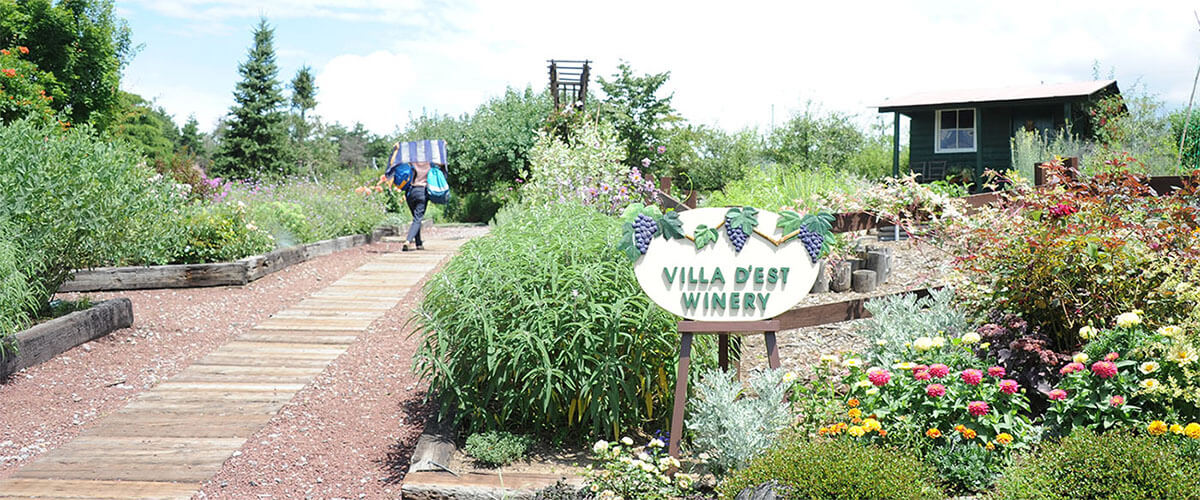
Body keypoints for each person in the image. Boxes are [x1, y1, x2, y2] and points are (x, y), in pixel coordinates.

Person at [403, 161, 432, 251]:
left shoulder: (412, 162)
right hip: (422, 191)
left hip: (410, 193)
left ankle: (419, 243)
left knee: (416, 219)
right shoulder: (429, 164)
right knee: (417, 218)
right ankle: (408, 240)